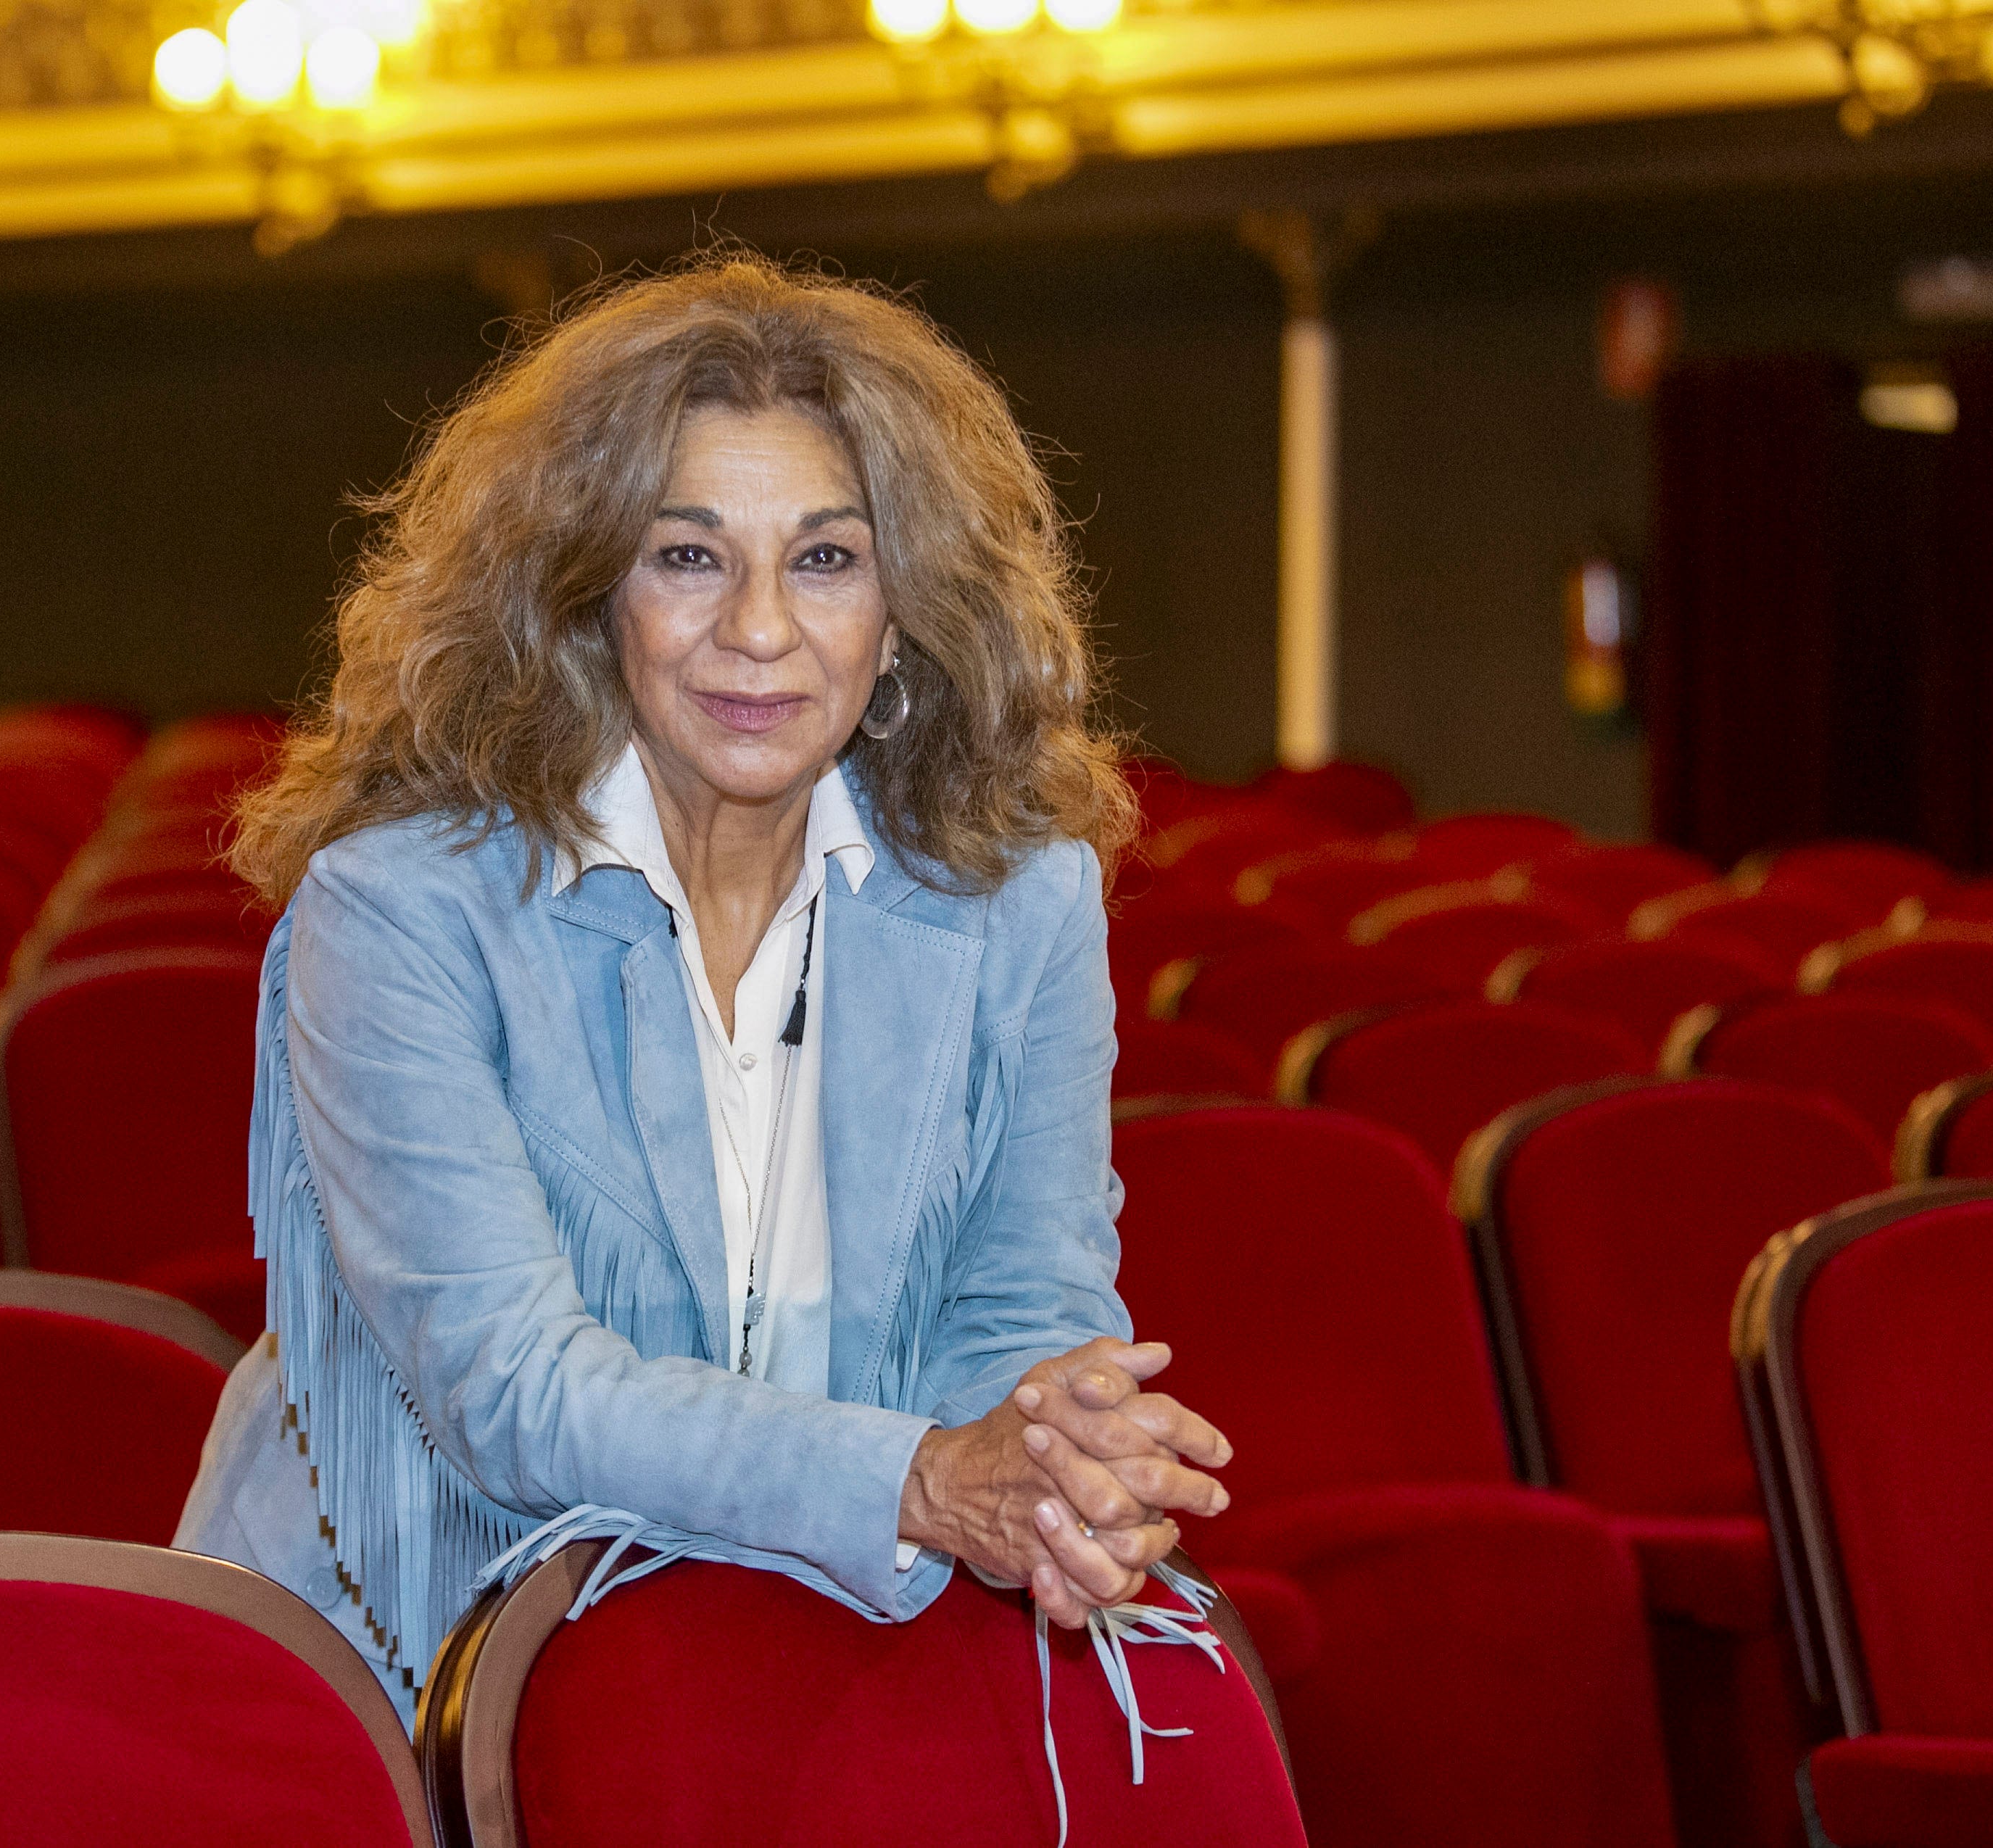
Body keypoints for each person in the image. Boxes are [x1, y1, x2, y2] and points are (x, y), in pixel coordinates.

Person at [174, 254, 1232, 1724]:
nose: (757, 628)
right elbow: (515, 1394)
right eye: (687, 556)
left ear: (904, 602)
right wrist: (925, 1482)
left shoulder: (1019, 899)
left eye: (825, 558)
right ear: (582, 587)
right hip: (407, 1672)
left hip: (787, 1651)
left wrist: (1058, 1460)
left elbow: (1021, 1300)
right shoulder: (400, 909)